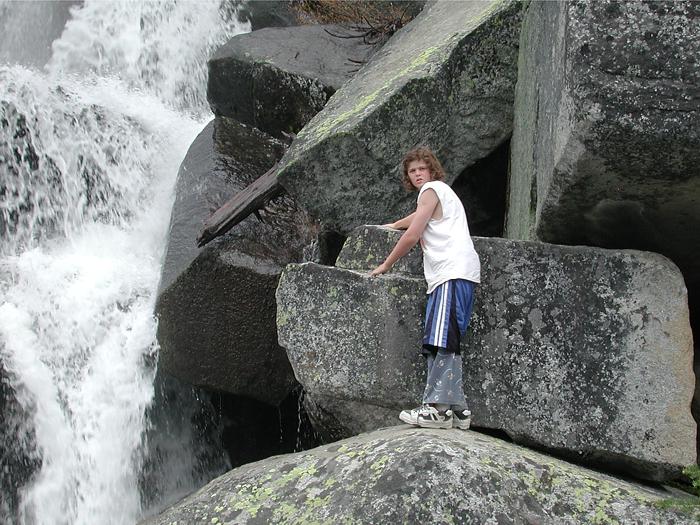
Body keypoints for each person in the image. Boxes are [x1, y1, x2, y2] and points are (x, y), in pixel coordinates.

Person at [370, 146, 480, 430]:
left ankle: (437, 409)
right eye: (412, 171)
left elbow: (414, 233)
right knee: (448, 339)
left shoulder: (431, 189)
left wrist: (386, 264)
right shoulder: (440, 194)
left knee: (441, 340)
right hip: (460, 274)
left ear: (431, 171)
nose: (417, 174)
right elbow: (417, 218)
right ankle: (457, 409)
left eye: (421, 168)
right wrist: (394, 223)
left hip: (449, 273)